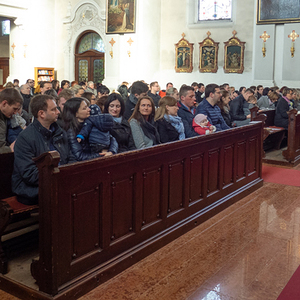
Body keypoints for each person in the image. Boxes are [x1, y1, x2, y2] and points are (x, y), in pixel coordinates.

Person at [11, 94, 74, 205]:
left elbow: (71, 157)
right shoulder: (26, 137)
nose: (58, 112)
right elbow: (29, 173)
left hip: (58, 182)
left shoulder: (59, 132)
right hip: (30, 188)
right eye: (54, 109)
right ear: (41, 114)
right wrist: (60, 179)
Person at [0, 88, 23, 153]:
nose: (15, 113)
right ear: (4, 103)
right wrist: (10, 149)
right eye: (14, 109)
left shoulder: (7, 116)